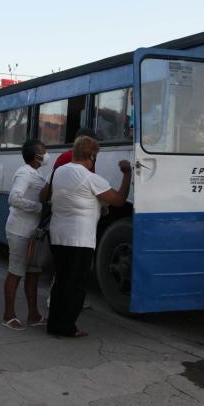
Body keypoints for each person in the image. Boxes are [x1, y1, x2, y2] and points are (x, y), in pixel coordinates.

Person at [47, 136, 131, 338]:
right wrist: (127, 174)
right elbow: (119, 200)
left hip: (57, 235)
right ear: (92, 156)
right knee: (76, 284)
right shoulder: (90, 178)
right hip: (79, 238)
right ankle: (67, 327)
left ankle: (54, 324)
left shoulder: (59, 171)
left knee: (61, 281)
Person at [2, 139, 48, 331]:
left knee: (33, 274)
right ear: (35, 156)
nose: (46, 154)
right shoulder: (24, 173)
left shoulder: (36, 173)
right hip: (19, 230)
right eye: (43, 151)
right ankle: (9, 315)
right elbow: (14, 198)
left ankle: (33, 314)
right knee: (16, 272)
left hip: (32, 232)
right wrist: (38, 207)